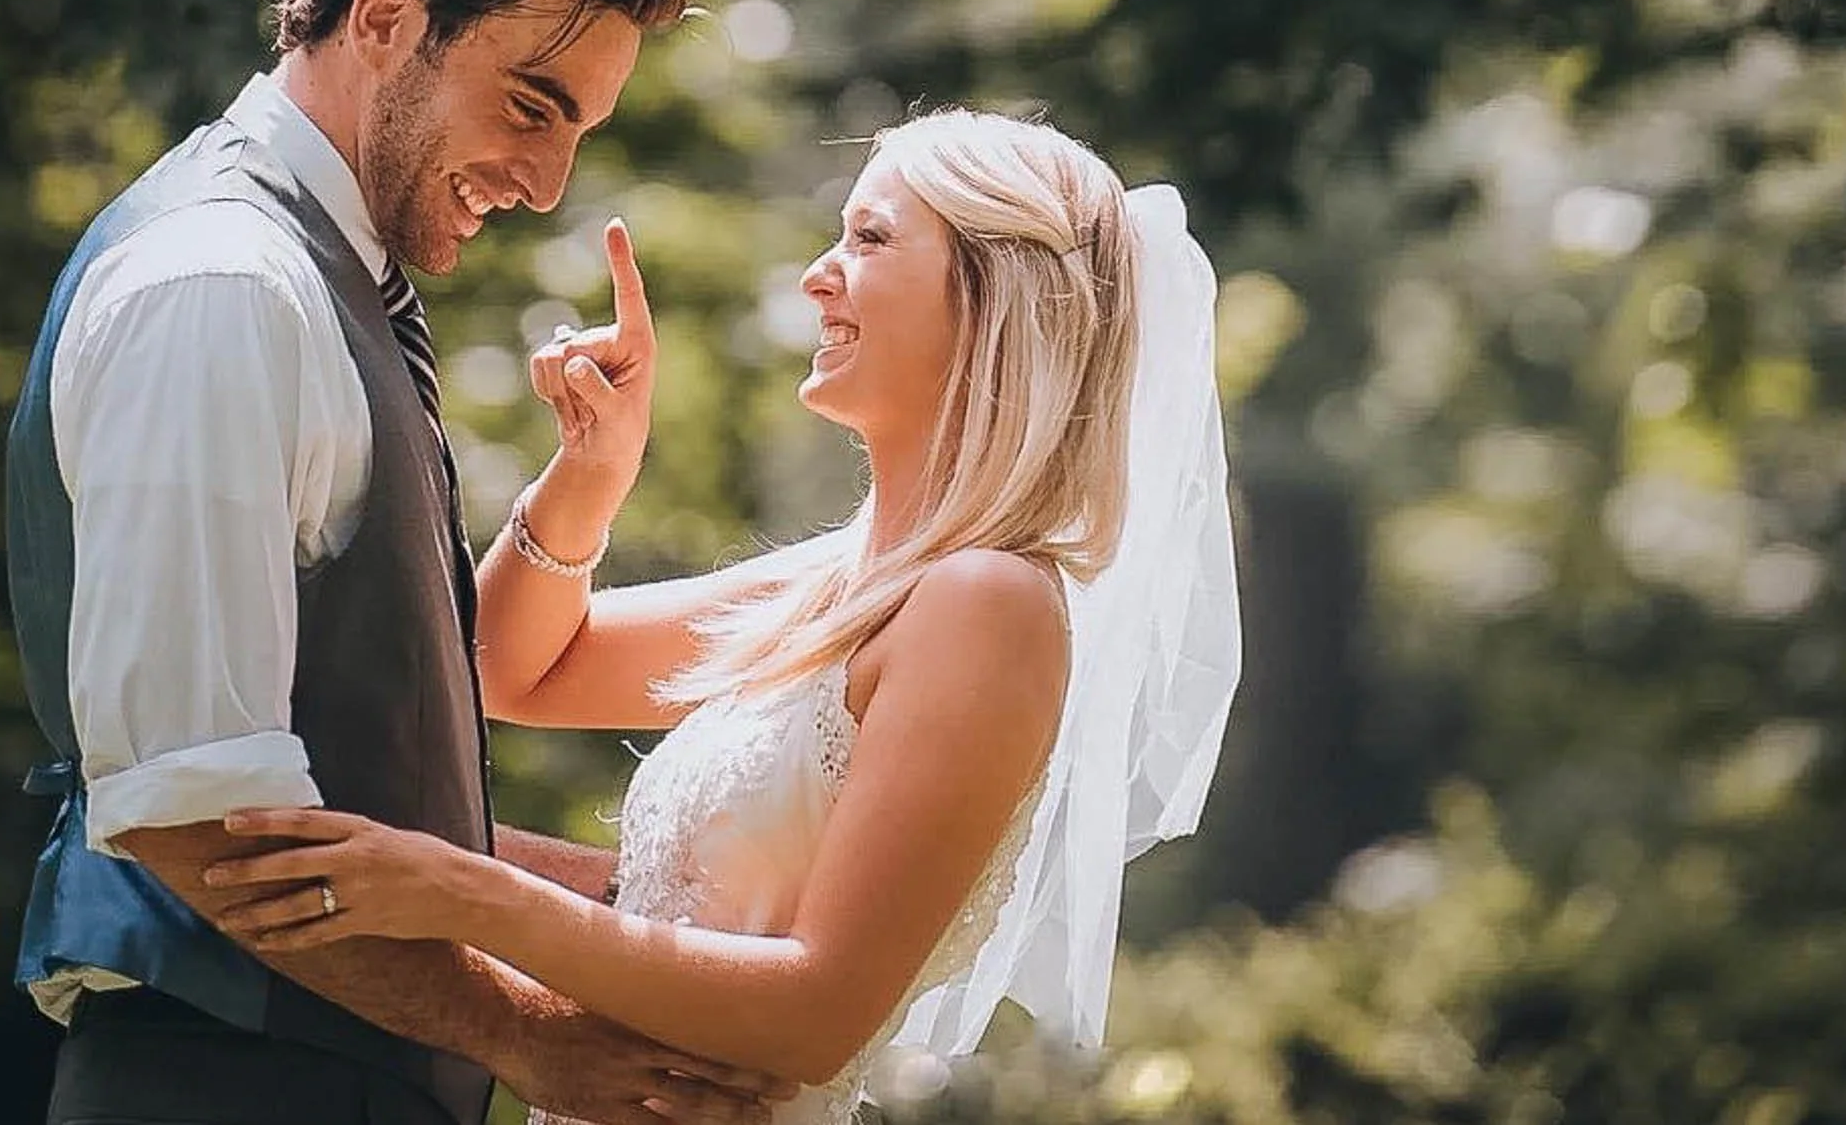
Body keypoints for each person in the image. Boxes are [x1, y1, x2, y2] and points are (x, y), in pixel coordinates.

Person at [202, 108, 1244, 1125]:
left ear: (993, 298)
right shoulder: (844, 581)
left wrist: (466, 895)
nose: (816, 274)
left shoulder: (986, 603)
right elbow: (502, 671)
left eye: (871, 238)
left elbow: (812, 1016)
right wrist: (590, 474)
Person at [6, 0, 772, 1125]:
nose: (545, 180)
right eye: (534, 105)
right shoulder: (225, 287)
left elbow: (359, 790)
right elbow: (203, 815)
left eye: (577, 131)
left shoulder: (318, 278)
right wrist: (535, 1033)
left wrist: (655, 914)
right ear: (386, 14)